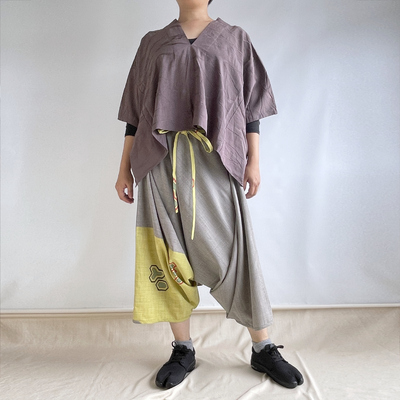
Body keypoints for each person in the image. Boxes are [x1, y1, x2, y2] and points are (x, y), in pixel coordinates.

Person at [115, 0, 304, 391]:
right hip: (160, 160)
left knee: (233, 252)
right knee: (166, 252)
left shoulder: (234, 39)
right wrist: (123, 169)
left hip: (215, 158)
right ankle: (182, 349)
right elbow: (135, 112)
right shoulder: (152, 42)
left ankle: (263, 347)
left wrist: (253, 160)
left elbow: (249, 105)